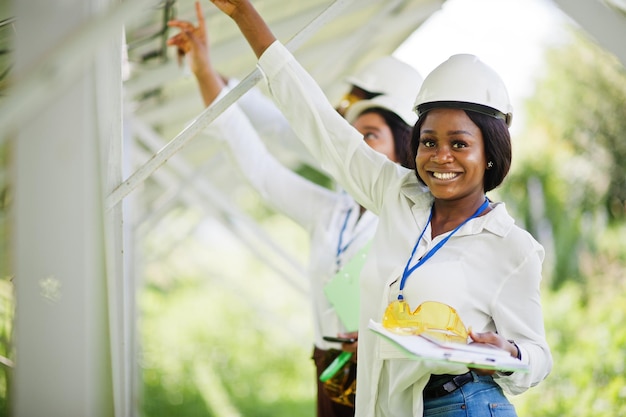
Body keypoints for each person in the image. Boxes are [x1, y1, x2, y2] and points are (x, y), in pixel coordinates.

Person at [207, 1, 553, 416]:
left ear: (491, 154)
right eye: (429, 142)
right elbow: (320, 124)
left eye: (459, 144)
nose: (441, 156)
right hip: (391, 402)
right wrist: (245, 15)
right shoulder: (396, 195)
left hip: (463, 404)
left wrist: (512, 350)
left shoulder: (512, 247)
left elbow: (538, 356)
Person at [167, 3, 423, 416]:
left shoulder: (418, 217)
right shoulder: (332, 212)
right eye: (349, 134)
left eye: (370, 135)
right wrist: (203, 71)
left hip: (387, 375)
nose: (353, 146)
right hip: (329, 371)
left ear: (404, 144)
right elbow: (258, 160)